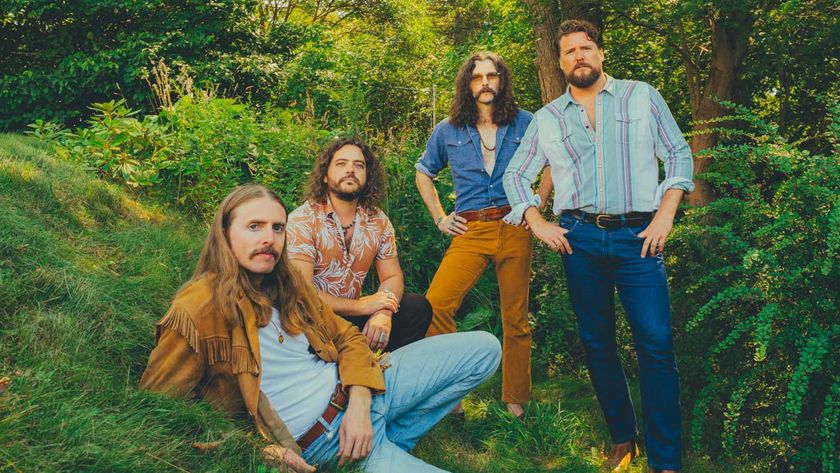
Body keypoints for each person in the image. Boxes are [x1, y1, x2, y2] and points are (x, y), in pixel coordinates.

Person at [139, 184, 501, 473]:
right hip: (324, 441)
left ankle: (388, 437)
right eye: (254, 226)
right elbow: (160, 415)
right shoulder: (197, 309)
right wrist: (260, 450)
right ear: (224, 234)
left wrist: (360, 398)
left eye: (277, 228)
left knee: (485, 349)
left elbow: (346, 336)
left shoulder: (287, 286)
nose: (269, 238)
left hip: (367, 393)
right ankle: (364, 456)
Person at [503, 19, 693, 473]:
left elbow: (679, 154)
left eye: (585, 48)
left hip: (639, 238)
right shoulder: (549, 117)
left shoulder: (641, 95)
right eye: (569, 51)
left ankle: (665, 460)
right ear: (560, 61)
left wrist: (665, 215)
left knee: (656, 342)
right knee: (597, 343)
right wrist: (535, 219)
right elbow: (514, 173)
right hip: (580, 241)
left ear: (601, 53)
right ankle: (623, 438)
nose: (578, 56)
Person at [415, 51, 550, 419]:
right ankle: (451, 394)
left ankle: (515, 401)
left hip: (514, 225)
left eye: (492, 75)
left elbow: (552, 162)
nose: (486, 82)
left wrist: (536, 207)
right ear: (468, 84)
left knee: (515, 317)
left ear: (502, 81)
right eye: (478, 77)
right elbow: (423, 172)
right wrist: (441, 217)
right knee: (436, 304)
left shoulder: (526, 123)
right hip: (470, 229)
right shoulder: (448, 130)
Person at [287, 138, 432, 352]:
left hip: (353, 321)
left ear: (367, 176)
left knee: (417, 308)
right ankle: (341, 373)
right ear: (325, 175)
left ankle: (386, 375)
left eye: (359, 165)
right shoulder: (303, 220)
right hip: (313, 321)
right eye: (341, 163)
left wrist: (383, 311)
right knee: (306, 323)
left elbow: (392, 277)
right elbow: (303, 292)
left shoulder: (378, 220)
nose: (350, 170)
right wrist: (363, 306)